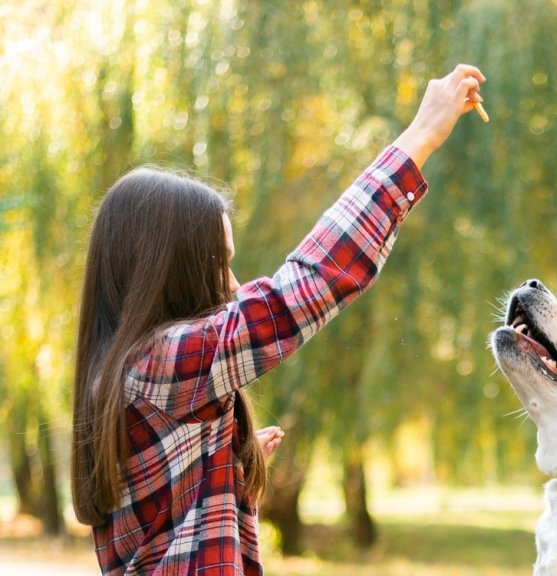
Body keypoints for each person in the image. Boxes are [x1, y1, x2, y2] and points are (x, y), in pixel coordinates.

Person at [71, 64, 486, 575]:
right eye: (219, 262)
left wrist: (221, 465)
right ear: (167, 271)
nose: (234, 283)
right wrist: (420, 136)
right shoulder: (161, 365)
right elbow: (306, 288)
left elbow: (162, 533)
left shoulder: (120, 376)